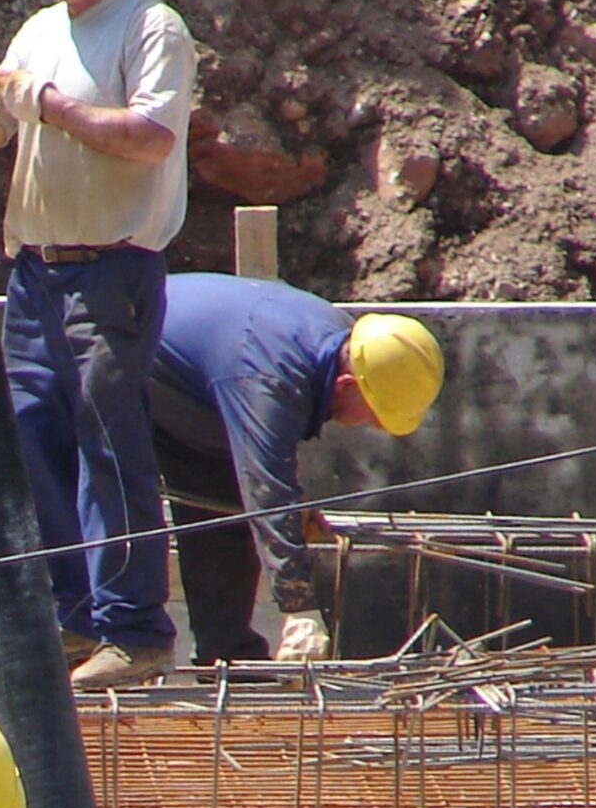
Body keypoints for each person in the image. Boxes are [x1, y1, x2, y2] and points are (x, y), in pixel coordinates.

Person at [0, 0, 195, 692]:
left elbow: (152, 137)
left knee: (108, 445)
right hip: (37, 270)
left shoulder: (152, 28)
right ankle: (73, 616)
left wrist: (50, 105)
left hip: (111, 269)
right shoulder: (36, 32)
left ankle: (134, 630)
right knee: (29, 433)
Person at [152, 275, 446, 664]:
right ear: (345, 385)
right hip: (102, 359)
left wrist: (295, 502)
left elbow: (267, 467)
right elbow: (267, 489)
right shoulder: (270, 376)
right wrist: (299, 608)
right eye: (375, 415)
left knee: (222, 508)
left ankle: (227, 658)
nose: (373, 426)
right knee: (120, 505)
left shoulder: (337, 341)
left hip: (188, 386)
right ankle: (122, 637)